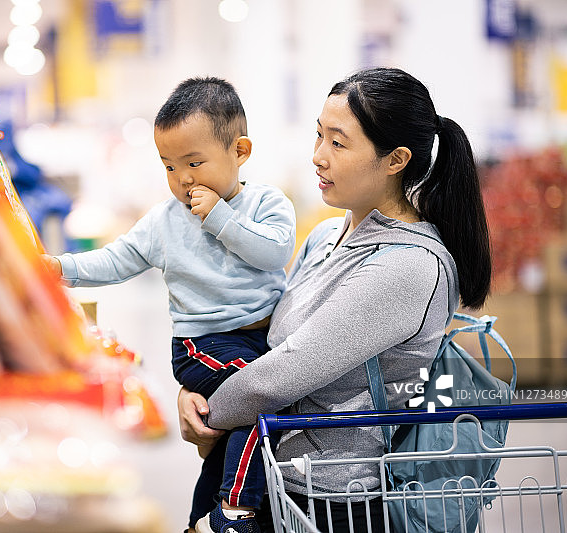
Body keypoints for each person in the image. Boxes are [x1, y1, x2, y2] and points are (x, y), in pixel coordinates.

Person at [177, 66, 492, 533]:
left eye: (338, 143)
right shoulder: (328, 235)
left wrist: (209, 413)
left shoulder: (409, 266)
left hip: (339, 502)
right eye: (319, 136)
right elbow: (266, 340)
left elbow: (286, 371)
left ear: (395, 159)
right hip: (280, 480)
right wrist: (195, 387)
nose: (318, 157)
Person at [44, 77, 296, 533]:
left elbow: (275, 252)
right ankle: (236, 511)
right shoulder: (164, 221)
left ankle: (200, 519)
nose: (183, 179)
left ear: (240, 152)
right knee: (261, 395)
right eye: (169, 166)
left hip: (263, 339)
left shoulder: (266, 203)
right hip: (205, 344)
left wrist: (219, 217)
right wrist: (60, 268)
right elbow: (117, 259)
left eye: (194, 162)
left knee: (228, 440)